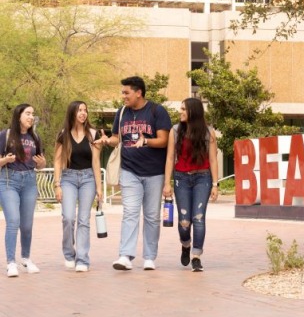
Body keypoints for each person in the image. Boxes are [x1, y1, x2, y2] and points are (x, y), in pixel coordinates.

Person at [95, 76, 172, 271]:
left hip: (155, 172)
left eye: (126, 92)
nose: (123, 96)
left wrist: (146, 141)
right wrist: (106, 141)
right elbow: (116, 138)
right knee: (130, 212)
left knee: (152, 215)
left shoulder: (157, 111)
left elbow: (164, 140)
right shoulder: (122, 113)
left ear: (139, 92)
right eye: (123, 92)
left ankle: (149, 257)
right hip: (129, 170)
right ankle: (125, 255)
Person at [163, 98, 219, 272]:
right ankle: (186, 244)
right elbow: (170, 158)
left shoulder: (208, 133)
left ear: (193, 112)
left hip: (203, 178)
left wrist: (215, 185)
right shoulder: (175, 131)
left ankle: (196, 255)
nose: (180, 112)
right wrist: (167, 183)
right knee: (184, 221)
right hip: (182, 179)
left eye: (183, 109)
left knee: (199, 218)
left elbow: (213, 159)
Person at [53, 101, 102, 272]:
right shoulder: (63, 134)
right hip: (68, 179)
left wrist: (99, 187)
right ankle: (68, 253)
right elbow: (58, 160)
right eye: (79, 110)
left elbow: (96, 162)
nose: (83, 113)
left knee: (83, 220)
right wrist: (57, 184)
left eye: (85, 110)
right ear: (72, 113)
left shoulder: (93, 134)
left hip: (88, 178)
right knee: (68, 218)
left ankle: (82, 259)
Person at [0, 104, 47, 277]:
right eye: (28, 113)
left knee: (27, 225)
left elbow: (41, 164)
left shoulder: (35, 137)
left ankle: (26, 259)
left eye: (33, 114)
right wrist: (5, 160)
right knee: (13, 221)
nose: (31, 117)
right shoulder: (5, 136)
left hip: (29, 181)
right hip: (8, 181)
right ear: (18, 115)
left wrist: (42, 164)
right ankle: (11, 262)